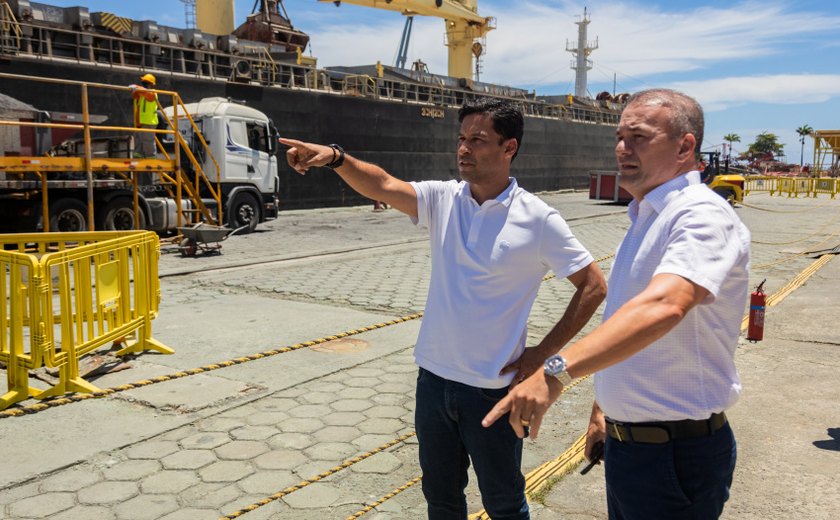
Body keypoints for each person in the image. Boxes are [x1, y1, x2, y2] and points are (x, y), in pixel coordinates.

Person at [280, 97, 606, 520]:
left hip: (493, 388)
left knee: (504, 502)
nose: (464, 149)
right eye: (461, 139)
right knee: (441, 499)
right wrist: (336, 159)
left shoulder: (538, 219)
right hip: (433, 382)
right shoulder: (443, 199)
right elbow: (383, 184)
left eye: (478, 140)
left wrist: (542, 355)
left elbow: (594, 286)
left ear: (509, 148)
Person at [483, 88, 751, 519]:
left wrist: (555, 373)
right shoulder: (647, 217)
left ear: (685, 147)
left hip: (676, 454)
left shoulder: (701, 214)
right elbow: (626, 319)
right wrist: (602, 409)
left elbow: (666, 305)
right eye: (619, 137)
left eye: (639, 137)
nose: (622, 149)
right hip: (634, 447)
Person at [130, 73, 159, 158]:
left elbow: (148, 95)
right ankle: (138, 157)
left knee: (148, 141)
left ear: (150, 84)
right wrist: (135, 90)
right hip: (140, 123)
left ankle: (151, 159)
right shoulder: (142, 94)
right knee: (138, 141)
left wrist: (136, 87)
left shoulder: (153, 93)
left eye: (145, 82)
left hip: (149, 122)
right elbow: (135, 96)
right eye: (143, 82)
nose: (144, 84)